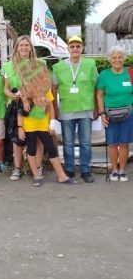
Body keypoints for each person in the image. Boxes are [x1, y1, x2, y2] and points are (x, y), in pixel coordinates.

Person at [51, 35, 97, 183]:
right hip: (66, 110)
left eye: (78, 46)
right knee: (68, 142)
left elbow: (96, 88)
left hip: (85, 109)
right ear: (68, 49)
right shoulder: (58, 67)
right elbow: (53, 89)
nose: (75, 49)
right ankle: (69, 169)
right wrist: (55, 108)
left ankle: (85, 170)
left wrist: (96, 107)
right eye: (72, 46)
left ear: (82, 48)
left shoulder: (90, 64)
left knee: (85, 142)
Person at [2, 36, 46, 181]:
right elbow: (6, 89)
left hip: (36, 105)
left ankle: (38, 167)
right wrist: (13, 95)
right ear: (16, 47)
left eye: (27, 45)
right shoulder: (8, 66)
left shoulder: (40, 63)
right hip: (16, 106)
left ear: (31, 47)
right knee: (17, 138)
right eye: (21, 45)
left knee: (38, 137)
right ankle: (17, 168)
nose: (24, 48)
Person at [17, 89, 70, 186]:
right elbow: (20, 111)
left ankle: (61, 176)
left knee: (51, 149)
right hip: (29, 126)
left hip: (43, 125)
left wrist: (52, 122)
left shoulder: (46, 88)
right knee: (31, 149)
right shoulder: (25, 90)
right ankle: (36, 176)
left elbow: (50, 106)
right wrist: (20, 127)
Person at [95, 46, 133, 182]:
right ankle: (114, 170)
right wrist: (101, 113)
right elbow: (99, 95)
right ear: (110, 60)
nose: (117, 60)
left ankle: (122, 170)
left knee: (124, 143)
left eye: (120, 57)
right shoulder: (104, 75)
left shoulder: (130, 73)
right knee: (112, 143)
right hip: (110, 114)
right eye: (114, 58)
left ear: (124, 58)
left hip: (128, 114)